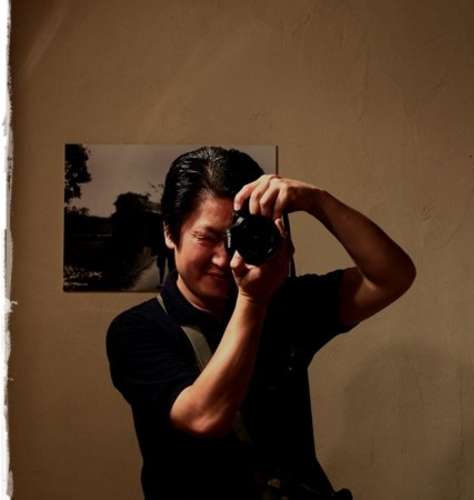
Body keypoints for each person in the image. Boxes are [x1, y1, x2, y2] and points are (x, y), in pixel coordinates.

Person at [106, 146, 416, 500]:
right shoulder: (137, 329)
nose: (223, 258)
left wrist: (317, 201)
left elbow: (392, 276)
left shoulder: (284, 303)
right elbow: (204, 417)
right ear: (170, 233)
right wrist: (253, 300)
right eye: (207, 238)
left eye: (235, 238)